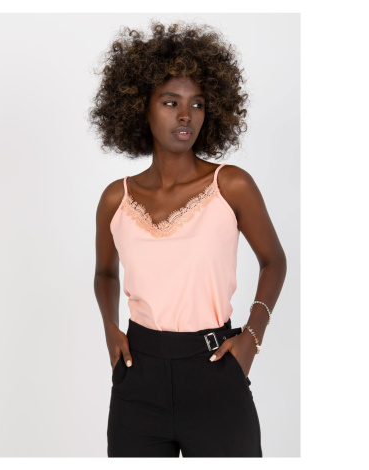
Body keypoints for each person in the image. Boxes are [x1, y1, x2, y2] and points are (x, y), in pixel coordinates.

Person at [89, 20, 287, 457]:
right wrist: (109, 329)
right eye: (170, 102)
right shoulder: (116, 199)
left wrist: (251, 340)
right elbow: (105, 273)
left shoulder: (230, 186)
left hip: (215, 371)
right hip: (137, 379)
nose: (186, 115)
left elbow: (274, 261)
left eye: (197, 104)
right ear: (140, 108)